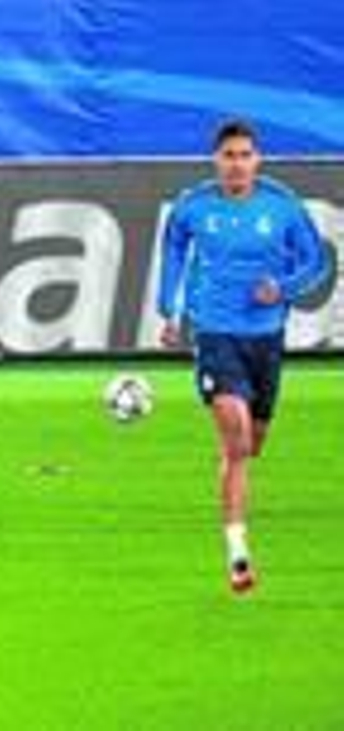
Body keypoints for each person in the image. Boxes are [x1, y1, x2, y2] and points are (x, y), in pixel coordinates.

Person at [156, 119, 332, 594]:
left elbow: (318, 260)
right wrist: (168, 311)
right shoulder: (195, 207)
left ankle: (233, 467)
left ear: (258, 160)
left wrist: (284, 288)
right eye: (228, 155)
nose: (236, 164)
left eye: (244, 155)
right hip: (215, 333)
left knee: (251, 445)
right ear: (216, 160)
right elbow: (173, 250)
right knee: (235, 441)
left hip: (266, 338)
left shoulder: (282, 206)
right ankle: (238, 555)